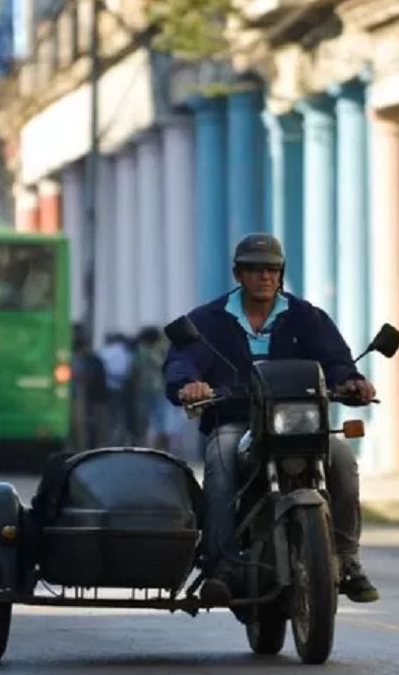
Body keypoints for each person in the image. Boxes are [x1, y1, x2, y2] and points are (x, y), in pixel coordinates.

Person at [163, 233, 380, 605]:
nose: (264, 276)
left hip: (301, 426)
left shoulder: (306, 317)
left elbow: (336, 361)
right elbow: (183, 361)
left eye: (272, 269)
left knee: (343, 459)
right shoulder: (208, 320)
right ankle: (222, 565)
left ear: (281, 273)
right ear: (238, 274)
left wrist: (352, 381)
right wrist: (189, 384)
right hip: (236, 423)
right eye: (254, 269)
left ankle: (347, 559)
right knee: (220, 460)